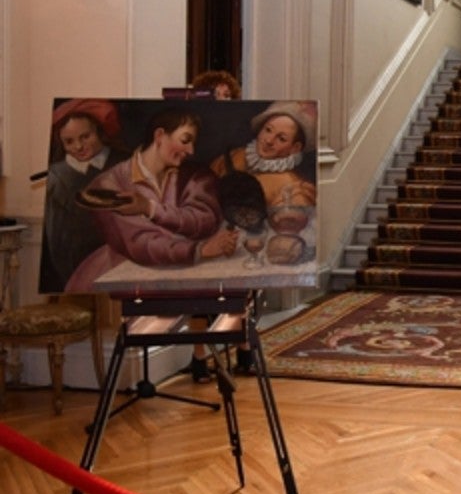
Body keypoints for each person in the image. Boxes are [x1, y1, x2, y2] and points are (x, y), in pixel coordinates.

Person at [65, 108, 240, 291]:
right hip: (130, 276)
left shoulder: (197, 176)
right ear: (159, 136)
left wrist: (150, 209)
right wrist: (198, 250)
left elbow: (205, 220)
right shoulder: (107, 185)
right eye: (185, 140)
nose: (191, 150)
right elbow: (142, 244)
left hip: (190, 268)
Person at [206, 101, 317, 376]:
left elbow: (290, 231)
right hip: (211, 242)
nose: (269, 140)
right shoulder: (231, 160)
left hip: (251, 250)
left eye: (281, 138)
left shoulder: (293, 185)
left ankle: (243, 348)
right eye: (268, 131)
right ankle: (200, 355)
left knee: (241, 293)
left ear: (295, 148)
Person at [39, 99, 129, 292]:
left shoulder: (124, 163)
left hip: (125, 266)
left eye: (85, 136)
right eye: (69, 142)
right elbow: (58, 243)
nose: (78, 146)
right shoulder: (57, 178)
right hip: (80, 273)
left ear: (99, 131)